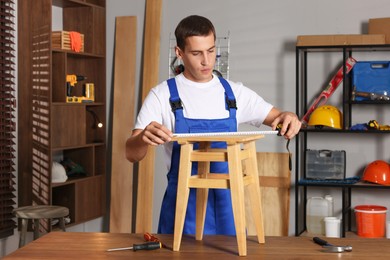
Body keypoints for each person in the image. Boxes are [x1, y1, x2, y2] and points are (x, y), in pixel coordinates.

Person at [126, 15, 301, 235]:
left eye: (211, 51)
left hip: (228, 211)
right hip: (182, 210)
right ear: (179, 53)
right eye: (196, 53)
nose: (207, 61)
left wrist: (290, 117)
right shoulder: (162, 95)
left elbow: (280, 116)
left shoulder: (234, 94)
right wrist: (143, 138)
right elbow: (131, 154)